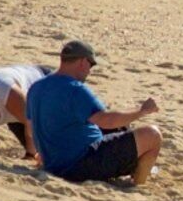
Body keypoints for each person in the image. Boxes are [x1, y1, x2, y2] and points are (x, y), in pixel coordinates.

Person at [26, 39, 163, 189]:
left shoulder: (36, 87)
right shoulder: (75, 89)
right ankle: (137, 185)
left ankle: (134, 169)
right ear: (83, 62)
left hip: (53, 162)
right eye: (91, 65)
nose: (89, 71)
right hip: (80, 165)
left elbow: (31, 128)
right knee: (152, 135)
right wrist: (142, 111)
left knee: (122, 127)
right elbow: (106, 120)